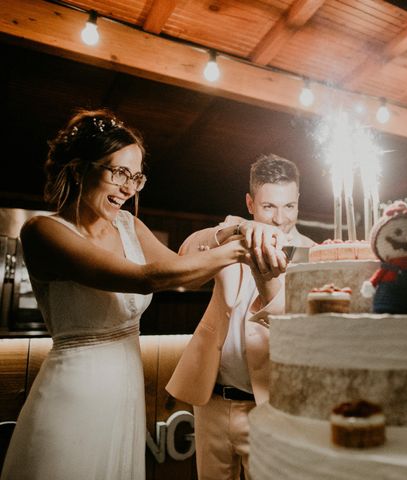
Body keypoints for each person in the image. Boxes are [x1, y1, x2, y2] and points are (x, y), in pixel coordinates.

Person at [0, 109, 250, 480]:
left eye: (135, 177)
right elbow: (146, 277)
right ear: (79, 167)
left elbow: (183, 273)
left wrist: (223, 235)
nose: (129, 188)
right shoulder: (43, 232)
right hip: (75, 391)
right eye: (118, 172)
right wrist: (238, 250)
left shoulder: (128, 224)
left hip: (126, 388)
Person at [166, 154, 314, 480]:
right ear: (250, 202)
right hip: (212, 402)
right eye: (269, 207)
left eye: (289, 206)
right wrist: (232, 232)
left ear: (299, 201)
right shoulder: (233, 235)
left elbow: (306, 335)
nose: (279, 219)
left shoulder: (311, 255)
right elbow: (184, 257)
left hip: (271, 408)